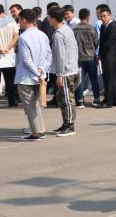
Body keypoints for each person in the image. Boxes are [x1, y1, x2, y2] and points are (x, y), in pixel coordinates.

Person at [14, 9, 51, 142]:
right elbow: (49, 55)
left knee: (29, 106)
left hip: (26, 76)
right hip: (40, 75)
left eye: (19, 20)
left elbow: (26, 60)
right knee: (37, 104)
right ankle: (41, 130)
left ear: (24, 20)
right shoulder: (43, 35)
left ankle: (35, 133)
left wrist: (36, 72)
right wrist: (41, 70)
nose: (19, 23)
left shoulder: (23, 37)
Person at [48, 8, 79, 136]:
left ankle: (70, 126)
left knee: (67, 99)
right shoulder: (67, 29)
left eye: (49, 17)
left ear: (53, 19)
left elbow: (60, 56)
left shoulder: (58, 34)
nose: (48, 20)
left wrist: (59, 74)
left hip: (65, 71)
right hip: (72, 68)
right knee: (63, 98)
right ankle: (66, 123)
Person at [0, 4, 20, 108]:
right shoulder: (12, 21)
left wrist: (0, 49)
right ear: (3, 10)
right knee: (10, 79)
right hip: (9, 54)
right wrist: (8, 48)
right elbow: (16, 36)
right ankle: (11, 101)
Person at [96, 5, 116, 108]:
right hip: (105, 56)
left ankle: (109, 100)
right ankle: (114, 99)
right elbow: (102, 42)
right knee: (108, 78)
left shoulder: (113, 25)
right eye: (101, 16)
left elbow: (110, 42)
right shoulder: (103, 26)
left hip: (111, 56)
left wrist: (101, 53)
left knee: (110, 78)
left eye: (104, 16)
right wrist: (99, 54)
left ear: (110, 15)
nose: (102, 18)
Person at [72, 9, 99, 108]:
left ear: (79, 17)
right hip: (91, 57)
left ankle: (80, 101)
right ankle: (96, 100)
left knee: (80, 80)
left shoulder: (74, 29)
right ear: (88, 17)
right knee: (93, 79)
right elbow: (96, 43)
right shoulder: (92, 28)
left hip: (79, 58)